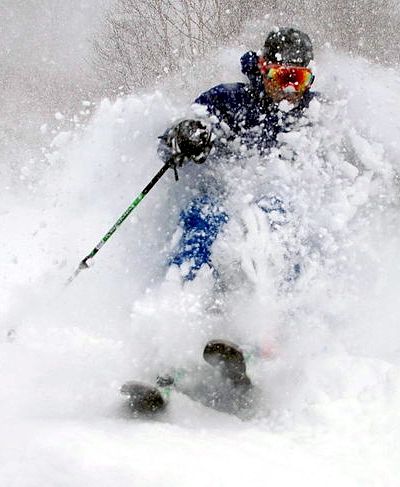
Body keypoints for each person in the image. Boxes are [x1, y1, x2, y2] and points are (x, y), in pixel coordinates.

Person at [120, 28, 319, 418]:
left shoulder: (319, 116)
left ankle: (261, 344)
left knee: (275, 223)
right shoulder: (227, 100)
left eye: (299, 80)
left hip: (282, 211)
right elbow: (177, 136)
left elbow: (362, 160)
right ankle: (166, 355)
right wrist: (184, 136)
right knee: (203, 220)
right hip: (221, 200)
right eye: (282, 78)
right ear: (263, 69)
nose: (290, 91)